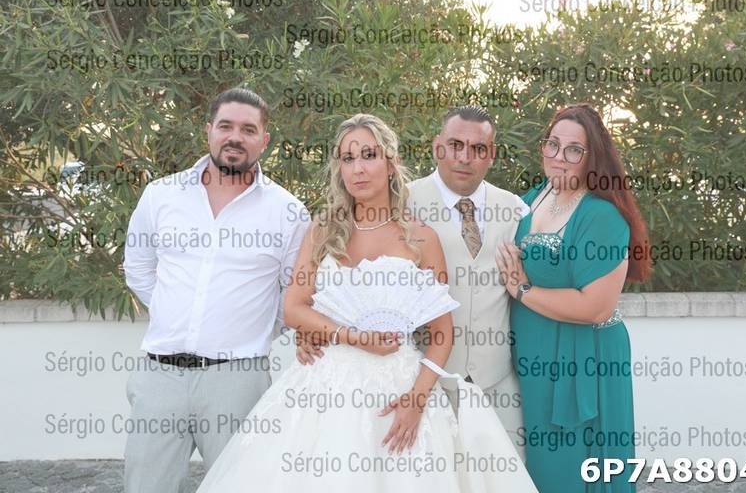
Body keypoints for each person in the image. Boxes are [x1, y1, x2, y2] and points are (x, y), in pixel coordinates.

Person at [196, 113, 537, 492]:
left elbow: (442, 333)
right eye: (348, 158)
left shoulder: (421, 237)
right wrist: (349, 336)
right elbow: (294, 308)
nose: (358, 168)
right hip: (323, 389)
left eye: (369, 155)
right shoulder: (323, 229)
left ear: (391, 163)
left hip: (400, 387)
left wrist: (416, 399)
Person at [122, 88, 309, 493]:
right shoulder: (161, 195)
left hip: (237, 380)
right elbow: (138, 268)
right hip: (160, 377)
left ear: (264, 140)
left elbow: (293, 293)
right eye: (225, 126)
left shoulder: (288, 212)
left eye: (248, 129)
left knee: (240, 487)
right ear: (208, 130)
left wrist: (251, 332)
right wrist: (174, 312)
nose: (235, 137)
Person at [496, 103, 651, 493]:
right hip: (535, 357)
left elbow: (596, 307)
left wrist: (523, 290)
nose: (559, 157)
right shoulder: (530, 199)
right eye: (553, 144)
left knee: (572, 470)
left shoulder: (601, 215)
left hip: (584, 358)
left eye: (574, 150)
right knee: (538, 469)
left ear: (591, 157)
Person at [405, 105, 529, 458]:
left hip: (497, 381)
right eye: (455, 145)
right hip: (427, 379)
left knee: (503, 475)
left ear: (491, 155)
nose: (465, 157)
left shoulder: (515, 209)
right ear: (437, 147)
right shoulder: (402, 202)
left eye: (478, 148)